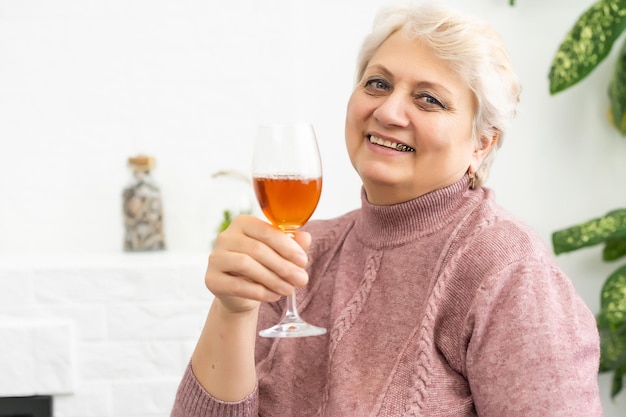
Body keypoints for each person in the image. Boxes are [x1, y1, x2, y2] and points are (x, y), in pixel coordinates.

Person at [171, 2, 603, 416]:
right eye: (378, 83)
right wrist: (233, 308)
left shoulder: (509, 272)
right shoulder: (302, 253)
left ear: (482, 143)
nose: (389, 111)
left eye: (429, 99)